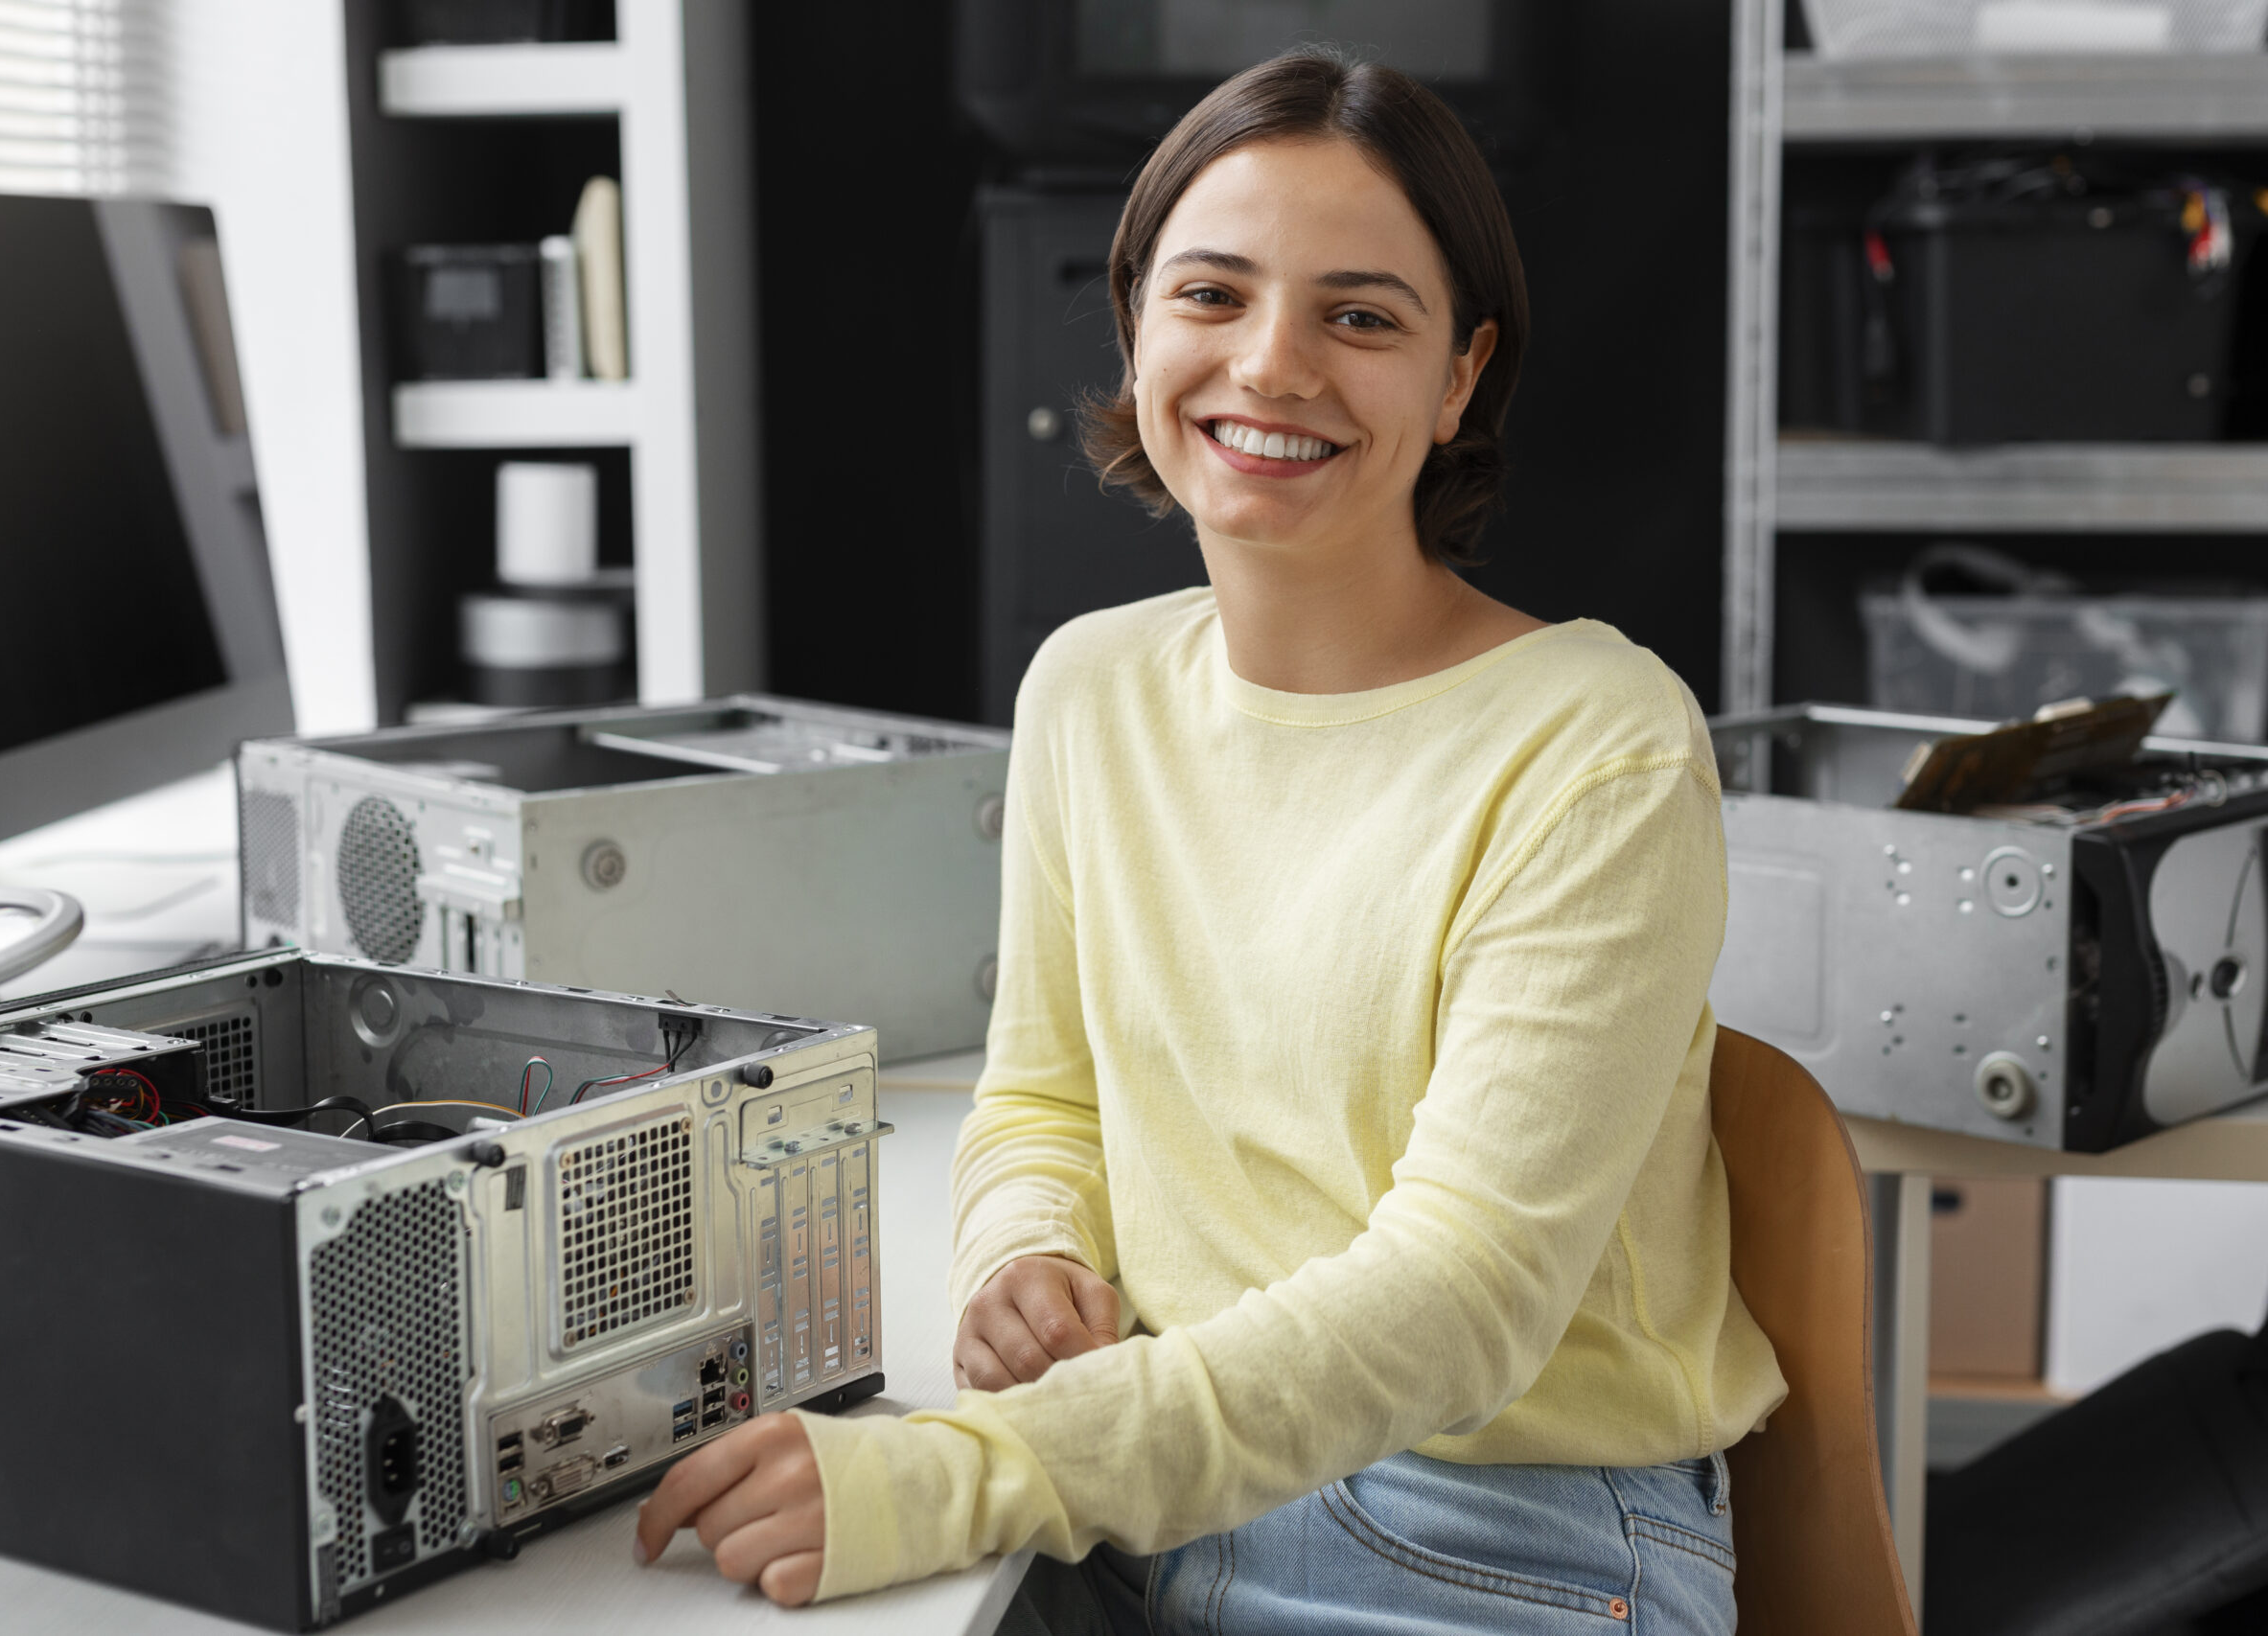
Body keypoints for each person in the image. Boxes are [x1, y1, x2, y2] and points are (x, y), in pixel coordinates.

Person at [634, 47, 1787, 1631]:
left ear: (1461, 377)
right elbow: (1043, 1093)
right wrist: (1026, 1257)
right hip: (1145, 1479)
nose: (1271, 363)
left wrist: (963, 1471)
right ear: (1135, 325)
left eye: (1360, 317)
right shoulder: (1090, 688)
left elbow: (1466, 1299)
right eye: (1212, 295)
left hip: (1494, 1531)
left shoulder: (1599, 744)